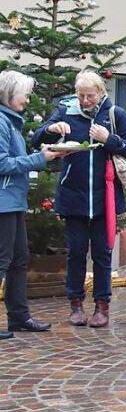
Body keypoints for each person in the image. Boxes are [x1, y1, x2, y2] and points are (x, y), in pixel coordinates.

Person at [33, 71, 126, 329]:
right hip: (74, 195)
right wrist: (51, 129)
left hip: (106, 197)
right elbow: (37, 138)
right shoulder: (65, 111)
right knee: (76, 253)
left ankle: (102, 306)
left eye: (90, 96)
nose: (84, 101)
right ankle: (76, 305)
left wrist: (109, 139)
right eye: (81, 95)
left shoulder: (114, 114)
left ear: (101, 92)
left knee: (103, 254)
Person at [0, 71, 60, 338]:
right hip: (3, 202)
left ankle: (19, 317)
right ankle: (17, 316)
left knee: (19, 259)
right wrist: (40, 159)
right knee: (3, 261)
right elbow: (2, 164)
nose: (27, 98)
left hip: (12, 201)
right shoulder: (1, 122)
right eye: (24, 93)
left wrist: (42, 156)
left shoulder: (10, 121)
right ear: (10, 94)